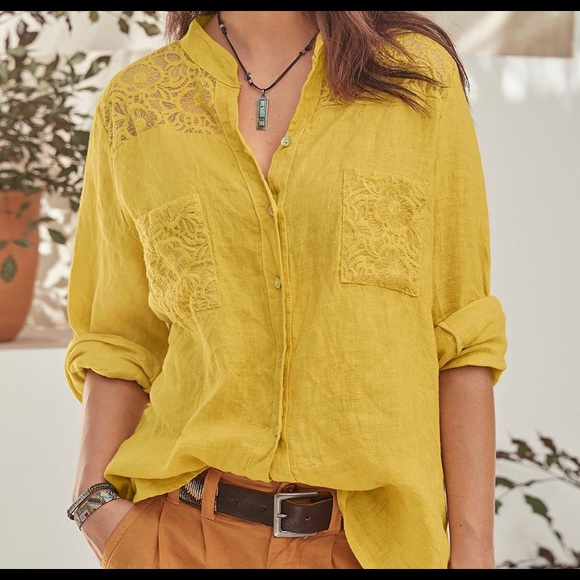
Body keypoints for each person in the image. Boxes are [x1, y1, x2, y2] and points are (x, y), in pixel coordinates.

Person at [63, 11, 508, 569]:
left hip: (370, 546)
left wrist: (474, 549)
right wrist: (93, 502)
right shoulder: (136, 104)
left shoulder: (415, 78)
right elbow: (120, 337)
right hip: (180, 536)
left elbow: (462, 333)